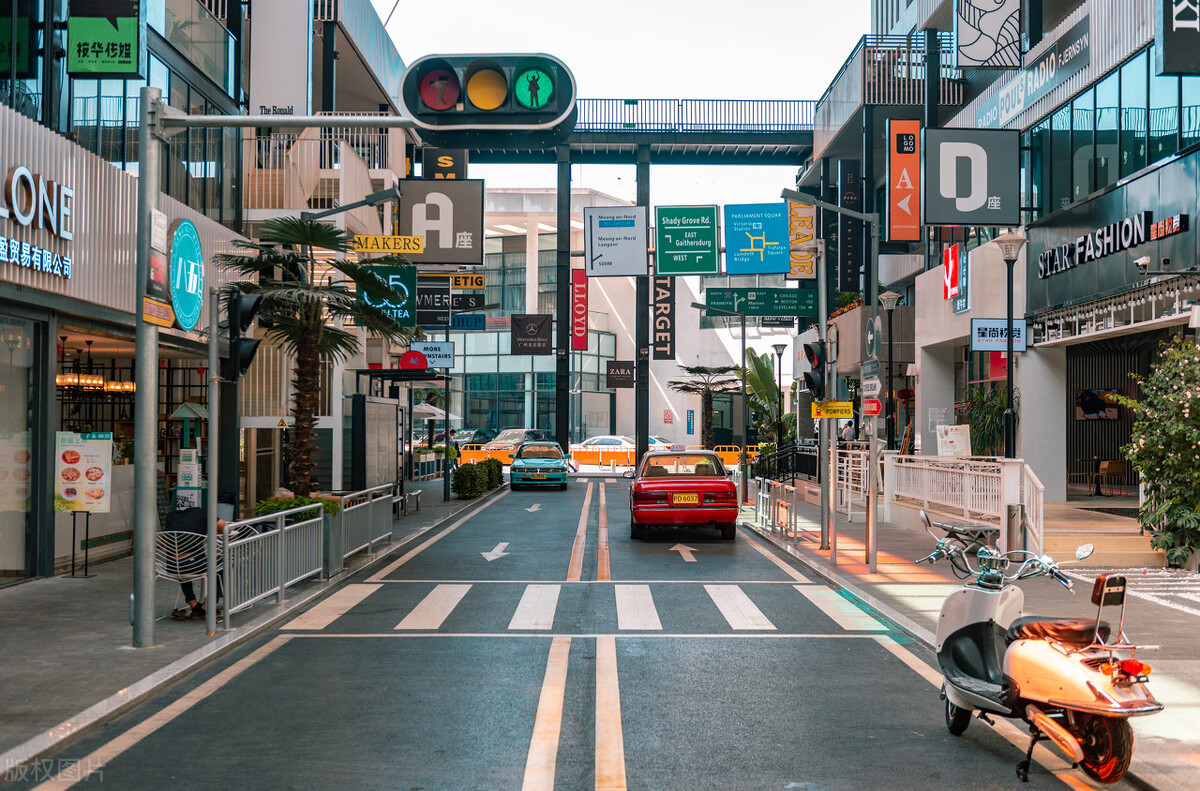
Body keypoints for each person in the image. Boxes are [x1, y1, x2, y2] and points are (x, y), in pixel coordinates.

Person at [165, 507, 229, 620]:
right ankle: (207, 606)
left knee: (181, 564)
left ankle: (193, 604)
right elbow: (226, 529)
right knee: (222, 561)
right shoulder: (204, 513)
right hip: (194, 564)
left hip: (171, 565)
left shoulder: (171, 516)